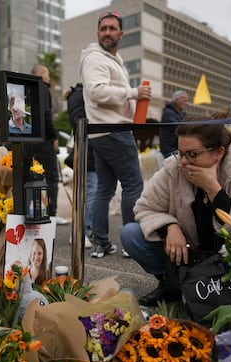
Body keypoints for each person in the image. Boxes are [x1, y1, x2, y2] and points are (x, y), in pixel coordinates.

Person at [120, 116, 231, 306]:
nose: (184, 162)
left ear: (218, 152)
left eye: (192, 154)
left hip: (230, 257)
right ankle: (171, 284)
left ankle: (228, 289)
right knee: (131, 233)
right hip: (188, 253)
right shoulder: (174, 168)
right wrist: (170, 226)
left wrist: (213, 189)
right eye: (180, 153)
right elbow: (144, 207)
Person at [79, 11, 151, 258]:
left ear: (121, 33)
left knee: (105, 190)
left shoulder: (112, 59)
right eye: (103, 28)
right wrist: (133, 93)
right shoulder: (95, 58)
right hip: (113, 130)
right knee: (133, 186)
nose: (107, 32)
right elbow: (97, 92)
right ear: (98, 32)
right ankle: (132, 243)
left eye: (112, 28)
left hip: (104, 131)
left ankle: (101, 242)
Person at [25, 63, 61, 221]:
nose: (49, 77)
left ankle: (30, 210)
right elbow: (46, 114)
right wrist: (53, 136)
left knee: (32, 176)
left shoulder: (26, 89)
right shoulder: (43, 88)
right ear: (40, 73)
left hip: (28, 139)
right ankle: (52, 212)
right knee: (52, 176)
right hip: (43, 139)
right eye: (47, 74)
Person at [64, 82, 95, 248]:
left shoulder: (79, 95)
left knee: (91, 192)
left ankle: (86, 230)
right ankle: (82, 231)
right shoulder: (79, 95)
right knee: (89, 192)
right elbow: (80, 125)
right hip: (88, 151)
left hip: (90, 151)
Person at [159, 90, 188, 158]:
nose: (186, 103)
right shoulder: (168, 113)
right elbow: (178, 128)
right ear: (176, 100)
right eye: (184, 100)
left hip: (176, 150)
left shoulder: (181, 114)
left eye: (187, 101)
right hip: (170, 150)